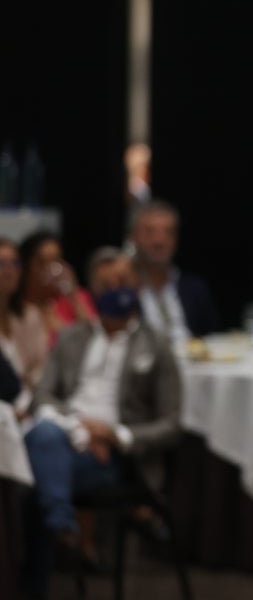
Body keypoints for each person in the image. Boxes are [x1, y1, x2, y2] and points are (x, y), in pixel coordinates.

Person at [20, 247, 181, 598]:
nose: (117, 290)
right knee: (45, 439)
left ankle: (48, 555)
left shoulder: (158, 345)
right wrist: (80, 429)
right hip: (66, 437)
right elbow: (42, 396)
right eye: (107, 285)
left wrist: (115, 435)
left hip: (116, 459)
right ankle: (61, 523)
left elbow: (172, 425)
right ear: (92, 292)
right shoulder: (72, 338)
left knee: (32, 472)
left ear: (137, 286)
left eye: (124, 281)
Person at [129, 199, 221, 350]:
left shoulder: (194, 287)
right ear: (133, 237)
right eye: (150, 232)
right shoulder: (124, 286)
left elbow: (214, 338)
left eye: (168, 232)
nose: (159, 240)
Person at [16, 231, 95, 347]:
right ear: (26, 266)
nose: (52, 270)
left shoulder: (77, 297)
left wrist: (74, 297)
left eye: (56, 261)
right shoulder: (15, 304)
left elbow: (95, 339)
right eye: (43, 262)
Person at [0, 237, 46, 417]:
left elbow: (42, 370)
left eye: (15, 263)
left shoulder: (30, 316)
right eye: (2, 263)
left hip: (30, 404)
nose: (10, 270)